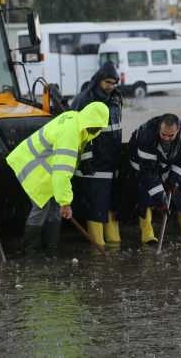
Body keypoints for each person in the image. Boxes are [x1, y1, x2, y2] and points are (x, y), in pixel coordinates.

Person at [6, 101, 109, 252]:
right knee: (41, 207)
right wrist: (66, 203)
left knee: (54, 207)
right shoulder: (70, 134)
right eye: (98, 126)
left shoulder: (75, 119)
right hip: (33, 167)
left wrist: (62, 201)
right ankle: (30, 251)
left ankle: (51, 248)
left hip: (43, 166)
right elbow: (62, 171)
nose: (99, 129)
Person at [70, 61, 123, 247]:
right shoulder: (84, 99)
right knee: (96, 204)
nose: (112, 87)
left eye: (115, 83)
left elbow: (115, 129)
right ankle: (97, 246)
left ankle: (114, 244)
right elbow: (78, 133)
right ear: (99, 80)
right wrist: (86, 159)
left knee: (111, 203)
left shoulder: (116, 99)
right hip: (93, 164)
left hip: (111, 161)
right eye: (108, 82)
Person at [128, 113, 181, 243]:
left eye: (171, 135)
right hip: (143, 164)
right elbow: (148, 173)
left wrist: (174, 177)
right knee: (146, 192)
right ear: (159, 129)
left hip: (168, 163)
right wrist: (161, 199)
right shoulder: (147, 135)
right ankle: (147, 232)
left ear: (178, 130)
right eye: (163, 134)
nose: (166, 138)